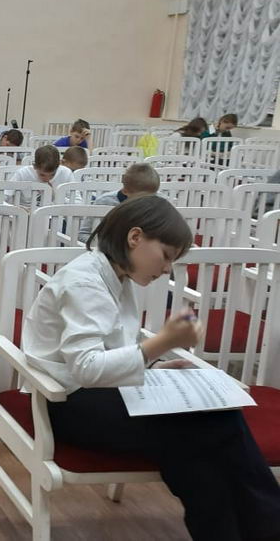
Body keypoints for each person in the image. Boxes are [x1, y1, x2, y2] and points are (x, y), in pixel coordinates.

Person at [23, 195, 280, 540]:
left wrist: (158, 364)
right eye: (166, 256)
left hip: (98, 393)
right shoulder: (85, 281)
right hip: (66, 403)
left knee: (204, 437)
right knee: (214, 426)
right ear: (135, 237)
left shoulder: (113, 274)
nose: (167, 269)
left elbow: (114, 345)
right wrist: (159, 344)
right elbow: (85, 368)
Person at [77, 163, 160, 242]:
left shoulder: (159, 203)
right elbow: (84, 233)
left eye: (152, 196)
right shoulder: (105, 201)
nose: (147, 201)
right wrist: (102, 245)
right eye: (141, 197)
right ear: (125, 191)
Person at [8, 145, 74, 207]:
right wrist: (18, 209)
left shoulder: (66, 173)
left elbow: (76, 201)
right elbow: (4, 197)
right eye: (42, 175)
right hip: (25, 211)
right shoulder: (22, 173)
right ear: (34, 166)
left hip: (56, 212)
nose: (47, 179)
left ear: (59, 166)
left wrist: (56, 196)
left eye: (52, 175)